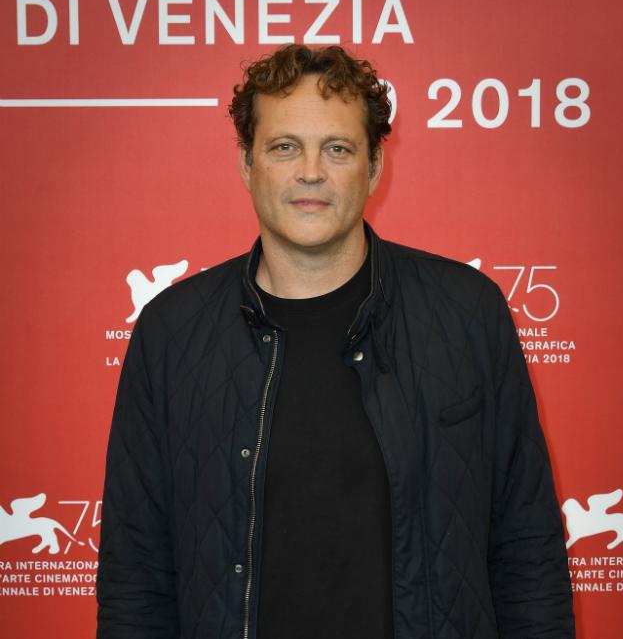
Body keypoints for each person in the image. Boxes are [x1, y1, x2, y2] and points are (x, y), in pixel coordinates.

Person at [96, 45, 575, 639]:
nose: (311, 171)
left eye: (338, 149)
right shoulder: (171, 332)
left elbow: (527, 549)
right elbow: (136, 572)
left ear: (374, 166)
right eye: (284, 147)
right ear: (247, 164)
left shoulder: (467, 313)